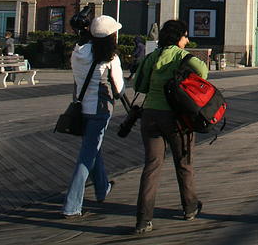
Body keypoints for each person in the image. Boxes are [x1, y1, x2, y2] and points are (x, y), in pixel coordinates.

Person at [132, 19, 208, 235]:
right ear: (178, 38)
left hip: (150, 115)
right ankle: (190, 207)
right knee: (184, 163)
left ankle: (143, 219)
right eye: (185, 36)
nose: (188, 40)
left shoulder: (151, 57)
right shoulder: (182, 56)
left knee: (151, 166)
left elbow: (139, 85)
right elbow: (203, 72)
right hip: (175, 119)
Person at [62, 15, 124, 219]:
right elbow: (120, 89)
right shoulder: (110, 58)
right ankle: (72, 205)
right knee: (86, 156)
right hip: (100, 109)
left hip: (81, 109)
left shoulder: (78, 53)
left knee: (92, 148)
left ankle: (102, 187)